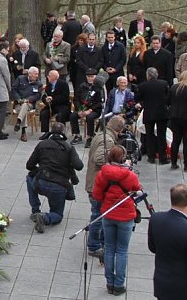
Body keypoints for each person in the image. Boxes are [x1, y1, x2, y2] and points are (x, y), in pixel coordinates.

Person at [92, 145, 142, 296]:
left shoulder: (103, 174)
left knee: (109, 248)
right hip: (126, 216)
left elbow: (97, 196)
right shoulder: (130, 175)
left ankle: (109, 282)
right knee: (121, 250)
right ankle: (119, 284)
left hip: (108, 214)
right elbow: (138, 191)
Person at [26, 123, 83, 232]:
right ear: (64, 132)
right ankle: (45, 217)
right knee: (57, 214)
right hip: (59, 187)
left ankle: (35, 210)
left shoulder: (42, 144)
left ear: (51, 131)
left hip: (40, 183)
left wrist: (40, 170)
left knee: (29, 178)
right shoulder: (69, 147)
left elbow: (29, 165)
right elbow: (79, 166)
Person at [84, 115, 126, 261]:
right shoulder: (107, 140)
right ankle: (94, 246)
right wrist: (117, 165)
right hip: (97, 185)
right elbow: (99, 158)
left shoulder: (100, 135)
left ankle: (98, 242)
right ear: (119, 129)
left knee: (98, 214)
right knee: (98, 216)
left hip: (94, 183)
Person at [136, 67, 170, 164]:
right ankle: (162, 158)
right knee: (161, 135)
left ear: (148, 76)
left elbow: (138, 98)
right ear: (157, 74)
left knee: (149, 135)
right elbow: (168, 98)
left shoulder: (143, 86)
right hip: (162, 113)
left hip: (149, 113)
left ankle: (151, 156)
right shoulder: (164, 84)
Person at [72, 68, 104, 147]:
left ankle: (90, 137)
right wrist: (79, 109)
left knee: (90, 117)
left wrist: (90, 110)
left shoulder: (99, 87)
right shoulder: (82, 86)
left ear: (95, 77)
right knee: (72, 116)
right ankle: (77, 135)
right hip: (82, 108)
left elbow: (100, 102)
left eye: (92, 76)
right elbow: (76, 99)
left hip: (95, 109)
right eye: (88, 76)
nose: (90, 78)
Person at [12, 66, 43, 142]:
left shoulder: (38, 84)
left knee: (25, 105)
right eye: (35, 74)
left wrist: (27, 100)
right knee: (23, 108)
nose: (37, 75)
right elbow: (14, 90)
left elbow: (38, 96)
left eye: (37, 74)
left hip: (30, 104)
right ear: (30, 74)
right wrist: (18, 99)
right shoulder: (20, 78)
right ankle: (23, 132)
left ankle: (19, 122)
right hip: (18, 104)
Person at [40, 69, 70, 139]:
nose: (48, 77)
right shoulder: (49, 85)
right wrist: (46, 100)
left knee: (60, 115)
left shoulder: (63, 84)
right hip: (52, 105)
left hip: (62, 105)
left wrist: (53, 98)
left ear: (54, 77)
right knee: (44, 113)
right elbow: (44, 96)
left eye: (49, 76)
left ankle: (60, 133)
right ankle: (46, 132)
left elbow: (65, 96)